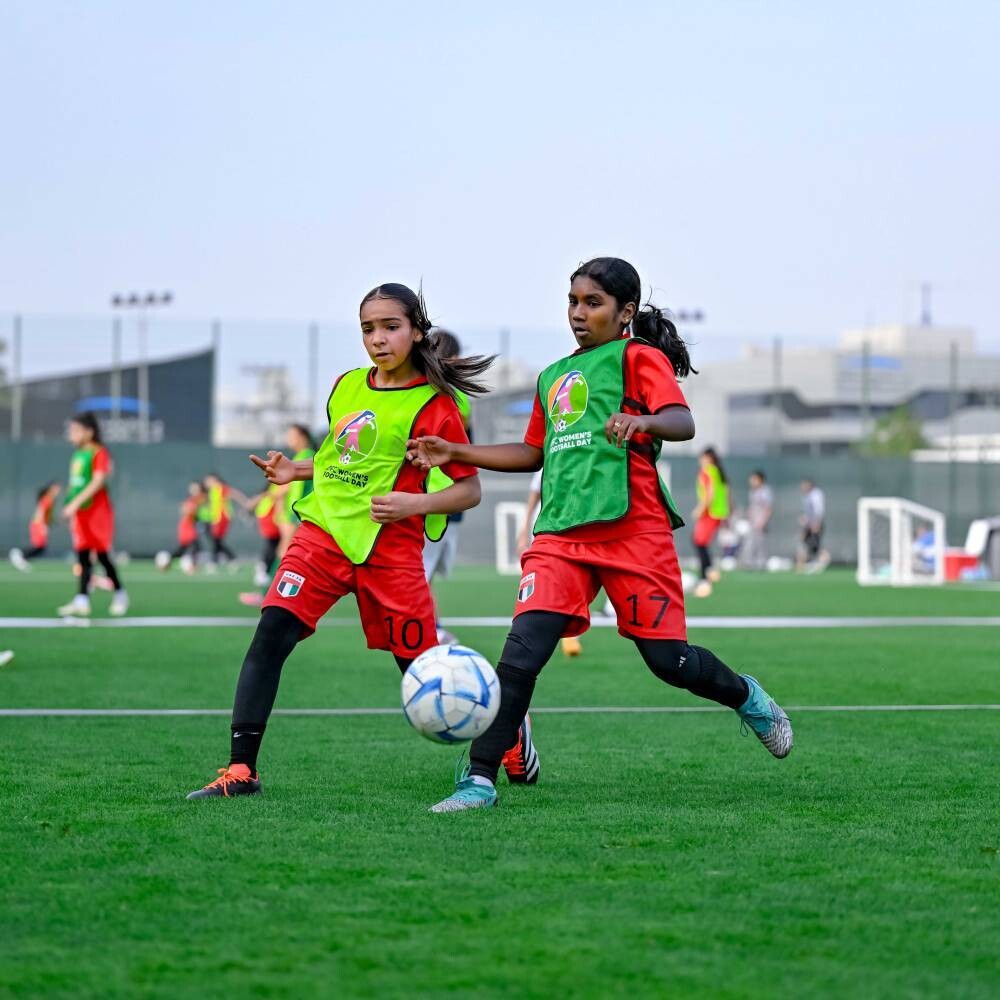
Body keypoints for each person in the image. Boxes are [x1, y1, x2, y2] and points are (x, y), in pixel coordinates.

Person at [408, 257, 792, 813]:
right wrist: (457, 451)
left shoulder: (639, 358)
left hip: (634, 532)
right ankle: (479, 781)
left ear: (625, 311)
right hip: (561, 535)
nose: (579, 314)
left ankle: (746, 696)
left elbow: (681, 422)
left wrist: (645, 422)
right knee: (521, 655)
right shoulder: (552, 376)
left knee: (669, 662)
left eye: (593, 303)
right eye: (573, 301)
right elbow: (532, 453)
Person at [186, 282, 537, 799]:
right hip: (322, 536)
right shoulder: (346, 386)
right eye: (368, 329)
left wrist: (413, 504)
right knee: (271, 633)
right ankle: (241, 770)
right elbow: (345, 460)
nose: (378, 339)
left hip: (390, 551)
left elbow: (469, 491)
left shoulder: (436, 405)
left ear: (417, 331)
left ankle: (509, 734)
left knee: (422, 672)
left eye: (390, 327)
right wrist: (297, 470)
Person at [420, 330, 471, 646]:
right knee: (420, 571)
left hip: (442, 495)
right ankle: (431, 627)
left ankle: (430, 627)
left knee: (422, 571)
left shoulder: (449, 396)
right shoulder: (447, 395)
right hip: (438, 496)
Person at [56, 411, 129, 617]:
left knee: (103, 556)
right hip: (80, 513)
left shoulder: (99, 453)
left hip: (98, 513)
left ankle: (121, 594)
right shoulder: (77, 455)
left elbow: (98, 481)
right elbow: (75, 484)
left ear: (89, 432)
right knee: (82, 555)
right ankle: (82, 599)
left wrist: (75, 504)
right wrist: (69, 505)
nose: (71, 434)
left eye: (76, 430)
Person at [691, 447, 730, 598]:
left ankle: (704, 578)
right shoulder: (717, 471)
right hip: (718, 512)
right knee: (700, 542)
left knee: (699, 542)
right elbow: (726, 491)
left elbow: (710, 494)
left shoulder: (707, 471)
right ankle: (710, 571)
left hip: (710, 512)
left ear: (708, 458)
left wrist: (700, 509)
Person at [9, 482, 61, 572]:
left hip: (39, 524)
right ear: (50, 489)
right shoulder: (47, 499)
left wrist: (54, 521)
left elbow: (48, 516)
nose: (57, 491)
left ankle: (21, 558)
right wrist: (42, 526)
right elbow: (40, 512)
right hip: (37, 524)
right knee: (39, 547)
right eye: (55, 488)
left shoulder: (51, 500)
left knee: (41, 548)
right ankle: (19, 554)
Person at [157, 481, 207, 574]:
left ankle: (166, 563)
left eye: (196, 488)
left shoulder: (199, 499)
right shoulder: (191, 500)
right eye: (193, 488)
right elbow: (184, 511)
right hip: (187, 526)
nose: (194, 490)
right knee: (195, 547)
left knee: (182, 549)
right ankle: (190, 567)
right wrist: (191, 510)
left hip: (190, 526)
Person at [797, 478, 829, 572]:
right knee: (805, 542)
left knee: (815, 544)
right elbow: (808, 512)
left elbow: (819, 510)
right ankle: (802, 564)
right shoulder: (807, 496)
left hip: (815, 524)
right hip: (809, 524)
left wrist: (816, 522)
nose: (802, 488)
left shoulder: (816, 495)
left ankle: (824, 558)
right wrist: (805, 520)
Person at [744, 470, 773, 569]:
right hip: (753, 521)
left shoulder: (765, 491)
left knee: (761, 543)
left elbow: (768, 508)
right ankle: (750, 562)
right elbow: (753, 506)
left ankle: (762, 563)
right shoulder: (753, 491)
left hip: (761, 521)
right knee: (750, 542)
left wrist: (763, 521)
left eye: (754, 479)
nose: (752, 481)